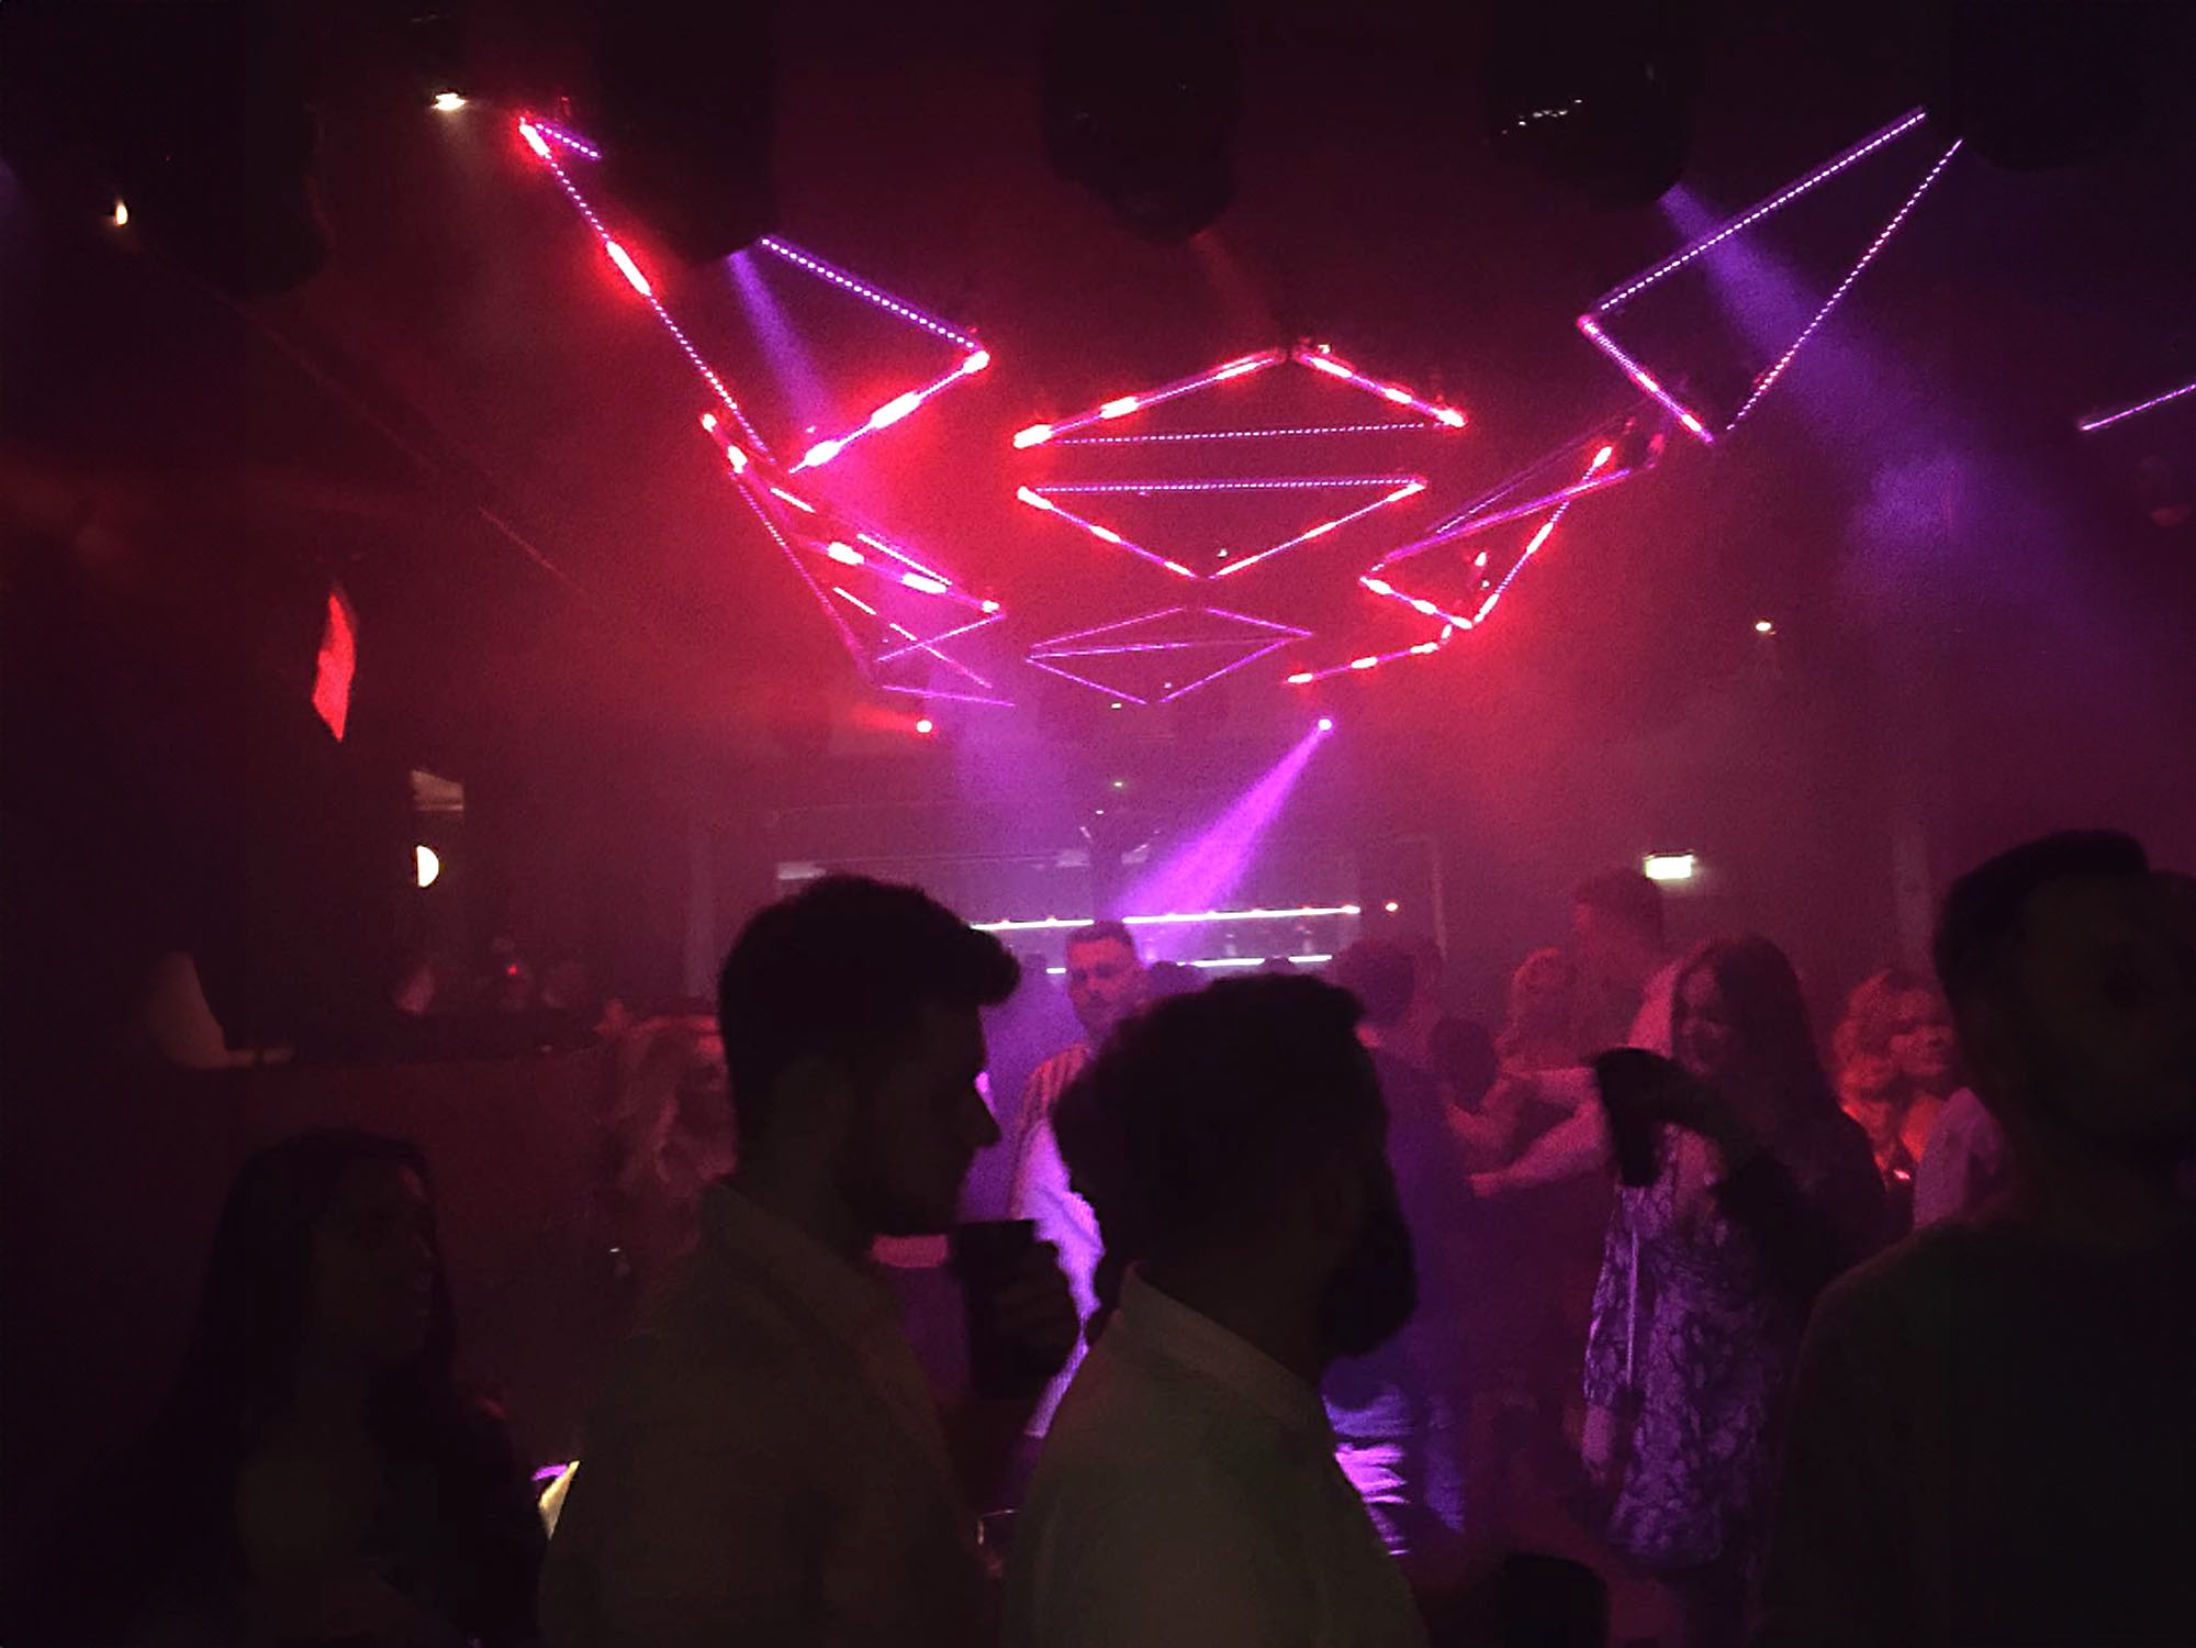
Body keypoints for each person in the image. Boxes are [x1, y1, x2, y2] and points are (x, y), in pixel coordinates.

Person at [541, 875, 1078, 1648]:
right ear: (820, 1098)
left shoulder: (824, 1301)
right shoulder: (710, 1389)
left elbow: (889, 1529)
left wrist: (1008, 1386)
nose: (982, 1129)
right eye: (944, 1094)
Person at [1757, 836, 2196, 1648]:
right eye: (2123, 988)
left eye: (2187, 976)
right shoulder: (1891, 1334)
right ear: (1999, 1041)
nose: (2179, 1015)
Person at [1004, 975, 1428, 1648]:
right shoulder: (1179, 1514)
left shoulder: (1216, 1406)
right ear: (1319, 1193)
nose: (1387, 1197)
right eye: (1366, 1160)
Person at [13, 1131, 545, 1647]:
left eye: (423, 1229)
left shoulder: (473, 1465)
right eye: (371, 1229)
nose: (421, 1256)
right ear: (278, 1254)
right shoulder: (156, 1492)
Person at [1582, 937, 1883, 1648]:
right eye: (1685, 1014)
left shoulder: (1823, 1145)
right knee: (1691, 1616)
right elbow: (1626, 1266)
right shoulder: (1660, 1136)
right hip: (1676, 1409)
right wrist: (1603, 1398)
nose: (1694, 1031)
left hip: (1774, 1412)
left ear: (1764, 1025)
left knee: (1776, 1614)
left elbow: (1840, 1285)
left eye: (1714, 1016)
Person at [1329, 939, 1472, 1560]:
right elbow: (1445, 1199)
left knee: (1356, 1478)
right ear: (1409, 1002)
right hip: (1416, 1302)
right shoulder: (1412, 1089)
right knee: (1437, 1461)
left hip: (1338, 1310)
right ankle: (1443, 1596)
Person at [1006, 920, 1148, 1421]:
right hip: (1075, 1310)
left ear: (1138, 978)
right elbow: (1024, 1204)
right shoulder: (1048, 1080)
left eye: (1106, 973)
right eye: (1080, 977)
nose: (1092, 988)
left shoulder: (1176, 1069)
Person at [1470, 871, 1681, 1198]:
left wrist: (1509, 1177)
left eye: (1585, 937)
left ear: (1616, 932)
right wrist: (1536, 1082)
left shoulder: (1669, 1012)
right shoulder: (1664, 1002)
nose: (1583, 953)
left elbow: (1602, 1127)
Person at [1831, 968, 1962, 1185]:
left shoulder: (1979, 1104)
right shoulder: (1856, 1123)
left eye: (1938, 1022)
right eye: (1907, 1029)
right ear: (1875, 1041)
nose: (1931, 1038)